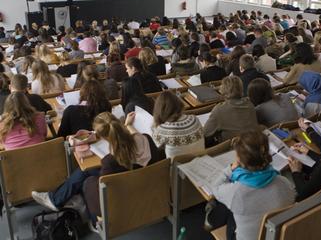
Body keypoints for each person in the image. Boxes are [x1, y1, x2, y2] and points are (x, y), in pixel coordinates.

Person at [32, 112, 163, 222]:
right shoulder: (146, 139)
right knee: (86, 172)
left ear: (105, 137)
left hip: (123, 200)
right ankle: (56, 198)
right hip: (148, 188)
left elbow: (105, 191)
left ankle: (91, 218)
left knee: (88, 180)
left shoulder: (110, 161)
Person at [208, 130, 295, 240]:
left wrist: (229, 169)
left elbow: (214, 187)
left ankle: (211, 218)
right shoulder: (284, 183)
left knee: (229, 209)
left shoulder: (235, 192)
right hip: (276, 236)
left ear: (240, 161)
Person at [204, 76, 259, 143]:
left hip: (232, 147)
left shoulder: (219, 110)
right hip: (252, 142)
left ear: (223, 90)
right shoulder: (249, 104)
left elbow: (205, 133)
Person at [152, 91, 204, 158]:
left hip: (178, 166)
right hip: (200, 160)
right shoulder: (194, 119)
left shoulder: (162, 130)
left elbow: (156, 145)